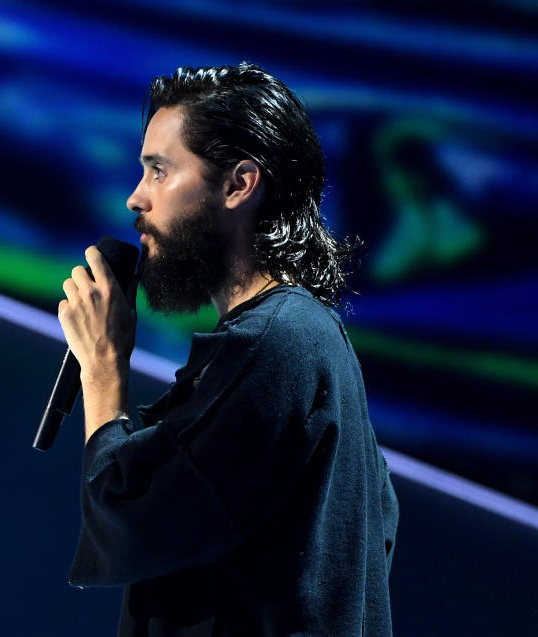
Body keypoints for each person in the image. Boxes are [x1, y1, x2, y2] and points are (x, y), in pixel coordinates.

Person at [56, 63, 399, 636]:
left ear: (239, 184)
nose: (134, 199)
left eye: (159, 171)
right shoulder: (305, 342)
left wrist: (103, 369)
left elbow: (132, 523)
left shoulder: (278, 342)